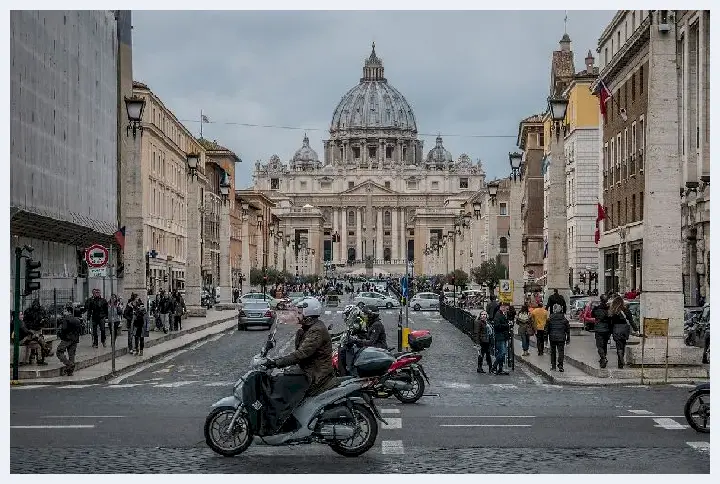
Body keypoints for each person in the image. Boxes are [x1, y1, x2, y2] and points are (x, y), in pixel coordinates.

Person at [266, 298, 334, 397]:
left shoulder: (316, 330)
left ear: (308, 314)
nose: (297, 315)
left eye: (299, 312)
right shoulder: (308, 328)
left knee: (282, 386)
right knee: (281, 378)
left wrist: (275, 362)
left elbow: (301, 354)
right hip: (309, 370)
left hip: (316, 375)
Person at [608, 295, 640, 369]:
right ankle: (621, 359)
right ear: (622, 303)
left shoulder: (612, 311)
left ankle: (620, 361)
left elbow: (610, 323)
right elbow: (631, 321)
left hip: (616, 329)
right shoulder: (626, 310)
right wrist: (636, 330)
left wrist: (610, 331)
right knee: (623, 344)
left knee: (618, 346)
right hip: (625, 329)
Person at [56, 305, 83, 376]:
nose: (63, 312)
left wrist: (61, 334)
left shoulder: (66, 319)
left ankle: (69, 364)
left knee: (59, 351)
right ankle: (70, 372)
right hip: (75, 339)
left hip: (67, 338)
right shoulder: (77, 320)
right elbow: (80, 330)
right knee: (71, 355)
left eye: (65, 311)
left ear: (69, 312)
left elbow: (64, 329)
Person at [546, 303, 570, 372]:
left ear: (554, 310)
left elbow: (546, 329)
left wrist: (545, 338)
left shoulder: (550, 318)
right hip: (561, 338)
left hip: (552, 337)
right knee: (561, 352)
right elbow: (567, 330)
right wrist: (568, 339)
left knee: (553, 352)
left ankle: (553, 366)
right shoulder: (564, 319)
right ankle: (560, 365)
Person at [489, 302, 511, 375]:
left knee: (502, 353)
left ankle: (500, 369)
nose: (506, 309)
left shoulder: (502, 314)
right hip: (500, 336)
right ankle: (494, 367)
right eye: (505, 307)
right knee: (502, 352)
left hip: (503, 336)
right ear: (501, 307)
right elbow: (497, 326)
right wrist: (507, 325)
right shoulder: (498, 314)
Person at [592, 294, 612, 368]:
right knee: (604, 345)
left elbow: (592, 315)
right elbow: (611, 319)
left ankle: (603, 358)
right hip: (607, 329)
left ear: (600, 300)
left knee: (599, 346)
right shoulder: (609, 309)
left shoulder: (596, 308)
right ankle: (603, 358)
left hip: (599, 329)